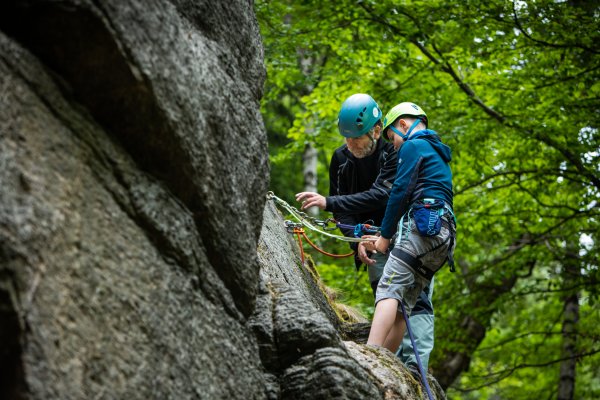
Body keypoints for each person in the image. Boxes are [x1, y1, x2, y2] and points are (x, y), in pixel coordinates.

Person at [295, 94, 435, 373]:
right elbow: (342, 211)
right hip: (369, 243)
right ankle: (387, 364)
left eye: (355, 137)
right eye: (346, 138)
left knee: (416, 302)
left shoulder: (395, 152)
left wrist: (329, 203)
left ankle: (414, 369)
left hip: (405, 235)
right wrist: (357, 238)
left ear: (374, 130)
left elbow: (381, 195)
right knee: (386, 299)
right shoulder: (341, 159)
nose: (350, 144)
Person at [361, 102, 455, 365]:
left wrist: (384, 237)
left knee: (388, 289)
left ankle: (369, 356)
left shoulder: (413, 145)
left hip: (422, 229)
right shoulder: (438, 153)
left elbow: (399, 192)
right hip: (442, 237)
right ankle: (388, 365)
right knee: (404, 306)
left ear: (404, 125)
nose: (393, 146)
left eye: (392, 138)